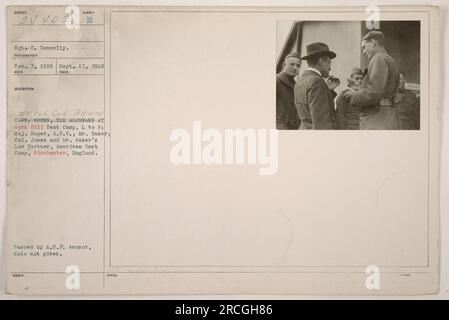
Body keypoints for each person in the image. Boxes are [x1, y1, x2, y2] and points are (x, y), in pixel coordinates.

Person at [344, 30, 400, 130]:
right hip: (388, 116)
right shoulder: (390, 59)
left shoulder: (378, 58)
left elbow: (374, 92)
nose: (364, 52)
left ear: (373, 42)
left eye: (364, 47)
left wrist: (354, 95)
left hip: (376, 118)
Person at [294, 42, 340, 130]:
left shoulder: (299, 82)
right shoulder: (317, 81)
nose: (330, 68)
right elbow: (321, 122)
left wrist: (327, 90)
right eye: (329, 63)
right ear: (321, 62)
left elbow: (308, 109)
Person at [276, 53, 301, 130]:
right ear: (284, 65)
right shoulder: (276, 81)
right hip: (280, 128)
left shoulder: (295, 84)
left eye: (298, 66)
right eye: (292, 64)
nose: (295, 68)